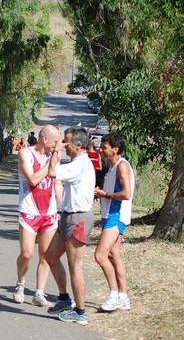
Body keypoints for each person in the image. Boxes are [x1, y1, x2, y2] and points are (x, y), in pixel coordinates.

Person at [45, 126, 96, 325]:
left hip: (78, 219)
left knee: (75, 266)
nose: (64, 146)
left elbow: (51, 172)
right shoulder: (77, 162)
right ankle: (65, 298)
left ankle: (80, 312)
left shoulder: (79, 165)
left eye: (67, 143)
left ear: (78, 145)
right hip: (68, 217)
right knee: (50, 256)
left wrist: (56, 150)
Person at [13, 125, 63, 307]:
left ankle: (39, 293)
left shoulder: (54, 157)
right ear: (45, 139)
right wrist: (51, 164)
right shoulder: (25, 153)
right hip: (29, 211)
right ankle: (20, 283)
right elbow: (32, 179)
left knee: (46, 255)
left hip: (49, 213)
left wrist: (63, 206)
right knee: (27, 254)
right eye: (55, 142)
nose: (57, 146)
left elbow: (57, 182)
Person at [94, 133, 135, 312]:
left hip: (116, 216)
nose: (101, 150)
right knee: (113, 256)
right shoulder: (112, 167)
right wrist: (102, 192)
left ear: (115, 149)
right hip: (109, 214)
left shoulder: (122, 166)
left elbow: (126, 194)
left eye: (104, 147)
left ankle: (114, 294)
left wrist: (107, 195)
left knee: (100, 256)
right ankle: (124, 297)